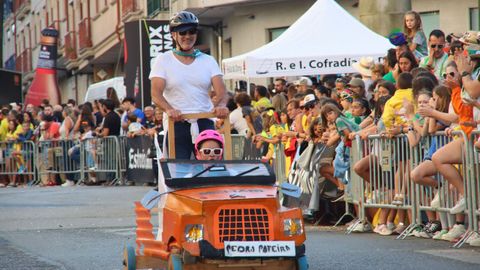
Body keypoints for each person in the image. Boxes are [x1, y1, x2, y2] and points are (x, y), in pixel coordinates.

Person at [149, 11, 228, 159]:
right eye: (182, 32)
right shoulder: (163, 60)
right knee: (179, 172)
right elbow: (156, 94)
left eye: (191, 31)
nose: (187, 36)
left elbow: (222, 91)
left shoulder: (208, 60)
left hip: (205, 120)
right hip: (177, 122)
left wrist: (222, 105)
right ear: (174, 35)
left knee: (212, 169)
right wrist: (169, 109)